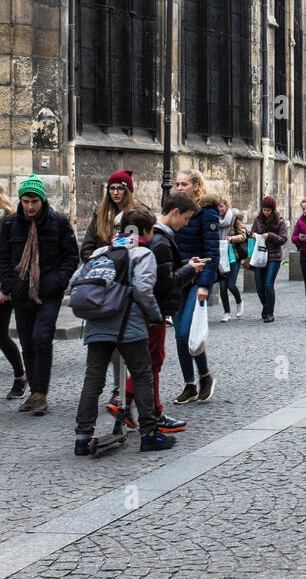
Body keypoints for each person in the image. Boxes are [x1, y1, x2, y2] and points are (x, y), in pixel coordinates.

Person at [73, 206, 177, 455]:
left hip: (97, 323)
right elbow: (142, 289)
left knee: (93, 379)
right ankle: (149, 434)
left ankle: (82, 437)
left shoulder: (101, 251)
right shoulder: (142, 253)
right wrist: (153, 315)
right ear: (145, 230)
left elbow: (76, 280)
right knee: (142, 375)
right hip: (128, 325)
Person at [110, 191, 203, 433]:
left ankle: (131, 404)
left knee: (149, 362)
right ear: (175, 212)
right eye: (186, 218)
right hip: (154, 310)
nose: (187, 223)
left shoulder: (155, 238)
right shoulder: (160, 240)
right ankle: (143, 408)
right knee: (153, 363)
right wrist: (190, 271)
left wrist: (185, 264)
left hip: (141, 310)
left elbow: (162, 272)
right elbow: (164, 283)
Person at [0, 176, 79, 415]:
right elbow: (3, 258)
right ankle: (34, 390)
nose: (30, 206)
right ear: (20, 200)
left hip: (49, 292)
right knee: (27, 342)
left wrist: (59, 281)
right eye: (26, 201)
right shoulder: (9, 224)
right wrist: (11, 284)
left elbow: (71, 256)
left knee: (41, 337)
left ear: (42, 200)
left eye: (34, 201)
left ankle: (39, 393)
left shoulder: (59, 222)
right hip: (22, 293)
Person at [172, 169, 220, 405]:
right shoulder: (175, 208)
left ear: (197, 186)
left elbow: (213, 252)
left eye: (184, 184)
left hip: (197, 279)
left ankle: (205, 376)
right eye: (177, 184)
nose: (179, 188)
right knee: (180, 335)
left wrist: (204, 284)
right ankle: (191, 383)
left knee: (185, 330)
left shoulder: (207, 212)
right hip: (178, 276)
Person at [0, 185, 26, 399]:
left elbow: (9, 257)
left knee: (0, 335)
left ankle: (20, 376)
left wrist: (4, 289)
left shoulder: (7, 220)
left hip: (2, 286)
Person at [245, 196, 288, 322]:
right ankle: (265, 305)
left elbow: (283, 239)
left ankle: (270, 312)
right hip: (259, 256)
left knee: (268, 284)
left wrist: (269, 235)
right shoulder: (258, 220)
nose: (266, 212)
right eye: (264, 210)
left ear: (273, 210)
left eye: (268, 210)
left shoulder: (280, 221)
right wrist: (252, 235)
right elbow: (251, 233)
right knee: (259, 286)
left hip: (274, 257)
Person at [79, 170, 136, 261]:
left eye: (120, 188)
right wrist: (96, 263)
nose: (115, 193)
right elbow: (87, 248)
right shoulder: (100, 214)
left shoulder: (137, 214)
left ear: (127, 191)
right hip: (102, 268)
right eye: (112, 188)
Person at [217, 197, 246, 322]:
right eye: (217, 207)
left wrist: (232, 239)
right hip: (220, 255)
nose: (219, 209)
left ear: (226, 206)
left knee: (231, 284)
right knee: (222, 286)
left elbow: (243, 235)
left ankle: (239, 302)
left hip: (233, 255)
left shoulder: (234, 218)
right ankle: (227, 312)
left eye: (221, 206)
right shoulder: (213, 219)